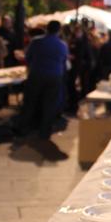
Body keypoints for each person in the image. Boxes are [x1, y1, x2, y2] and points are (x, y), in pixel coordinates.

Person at [16, 21, 69, 161]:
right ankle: (44, 132)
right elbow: (64, 62)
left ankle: (23, 128)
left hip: (37, 75)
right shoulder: (62, 45)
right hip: (54, 77)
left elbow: (28, 58)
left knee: (30, 102)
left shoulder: (36, 42)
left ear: (46, 29)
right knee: (49, 105)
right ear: (58, 31)